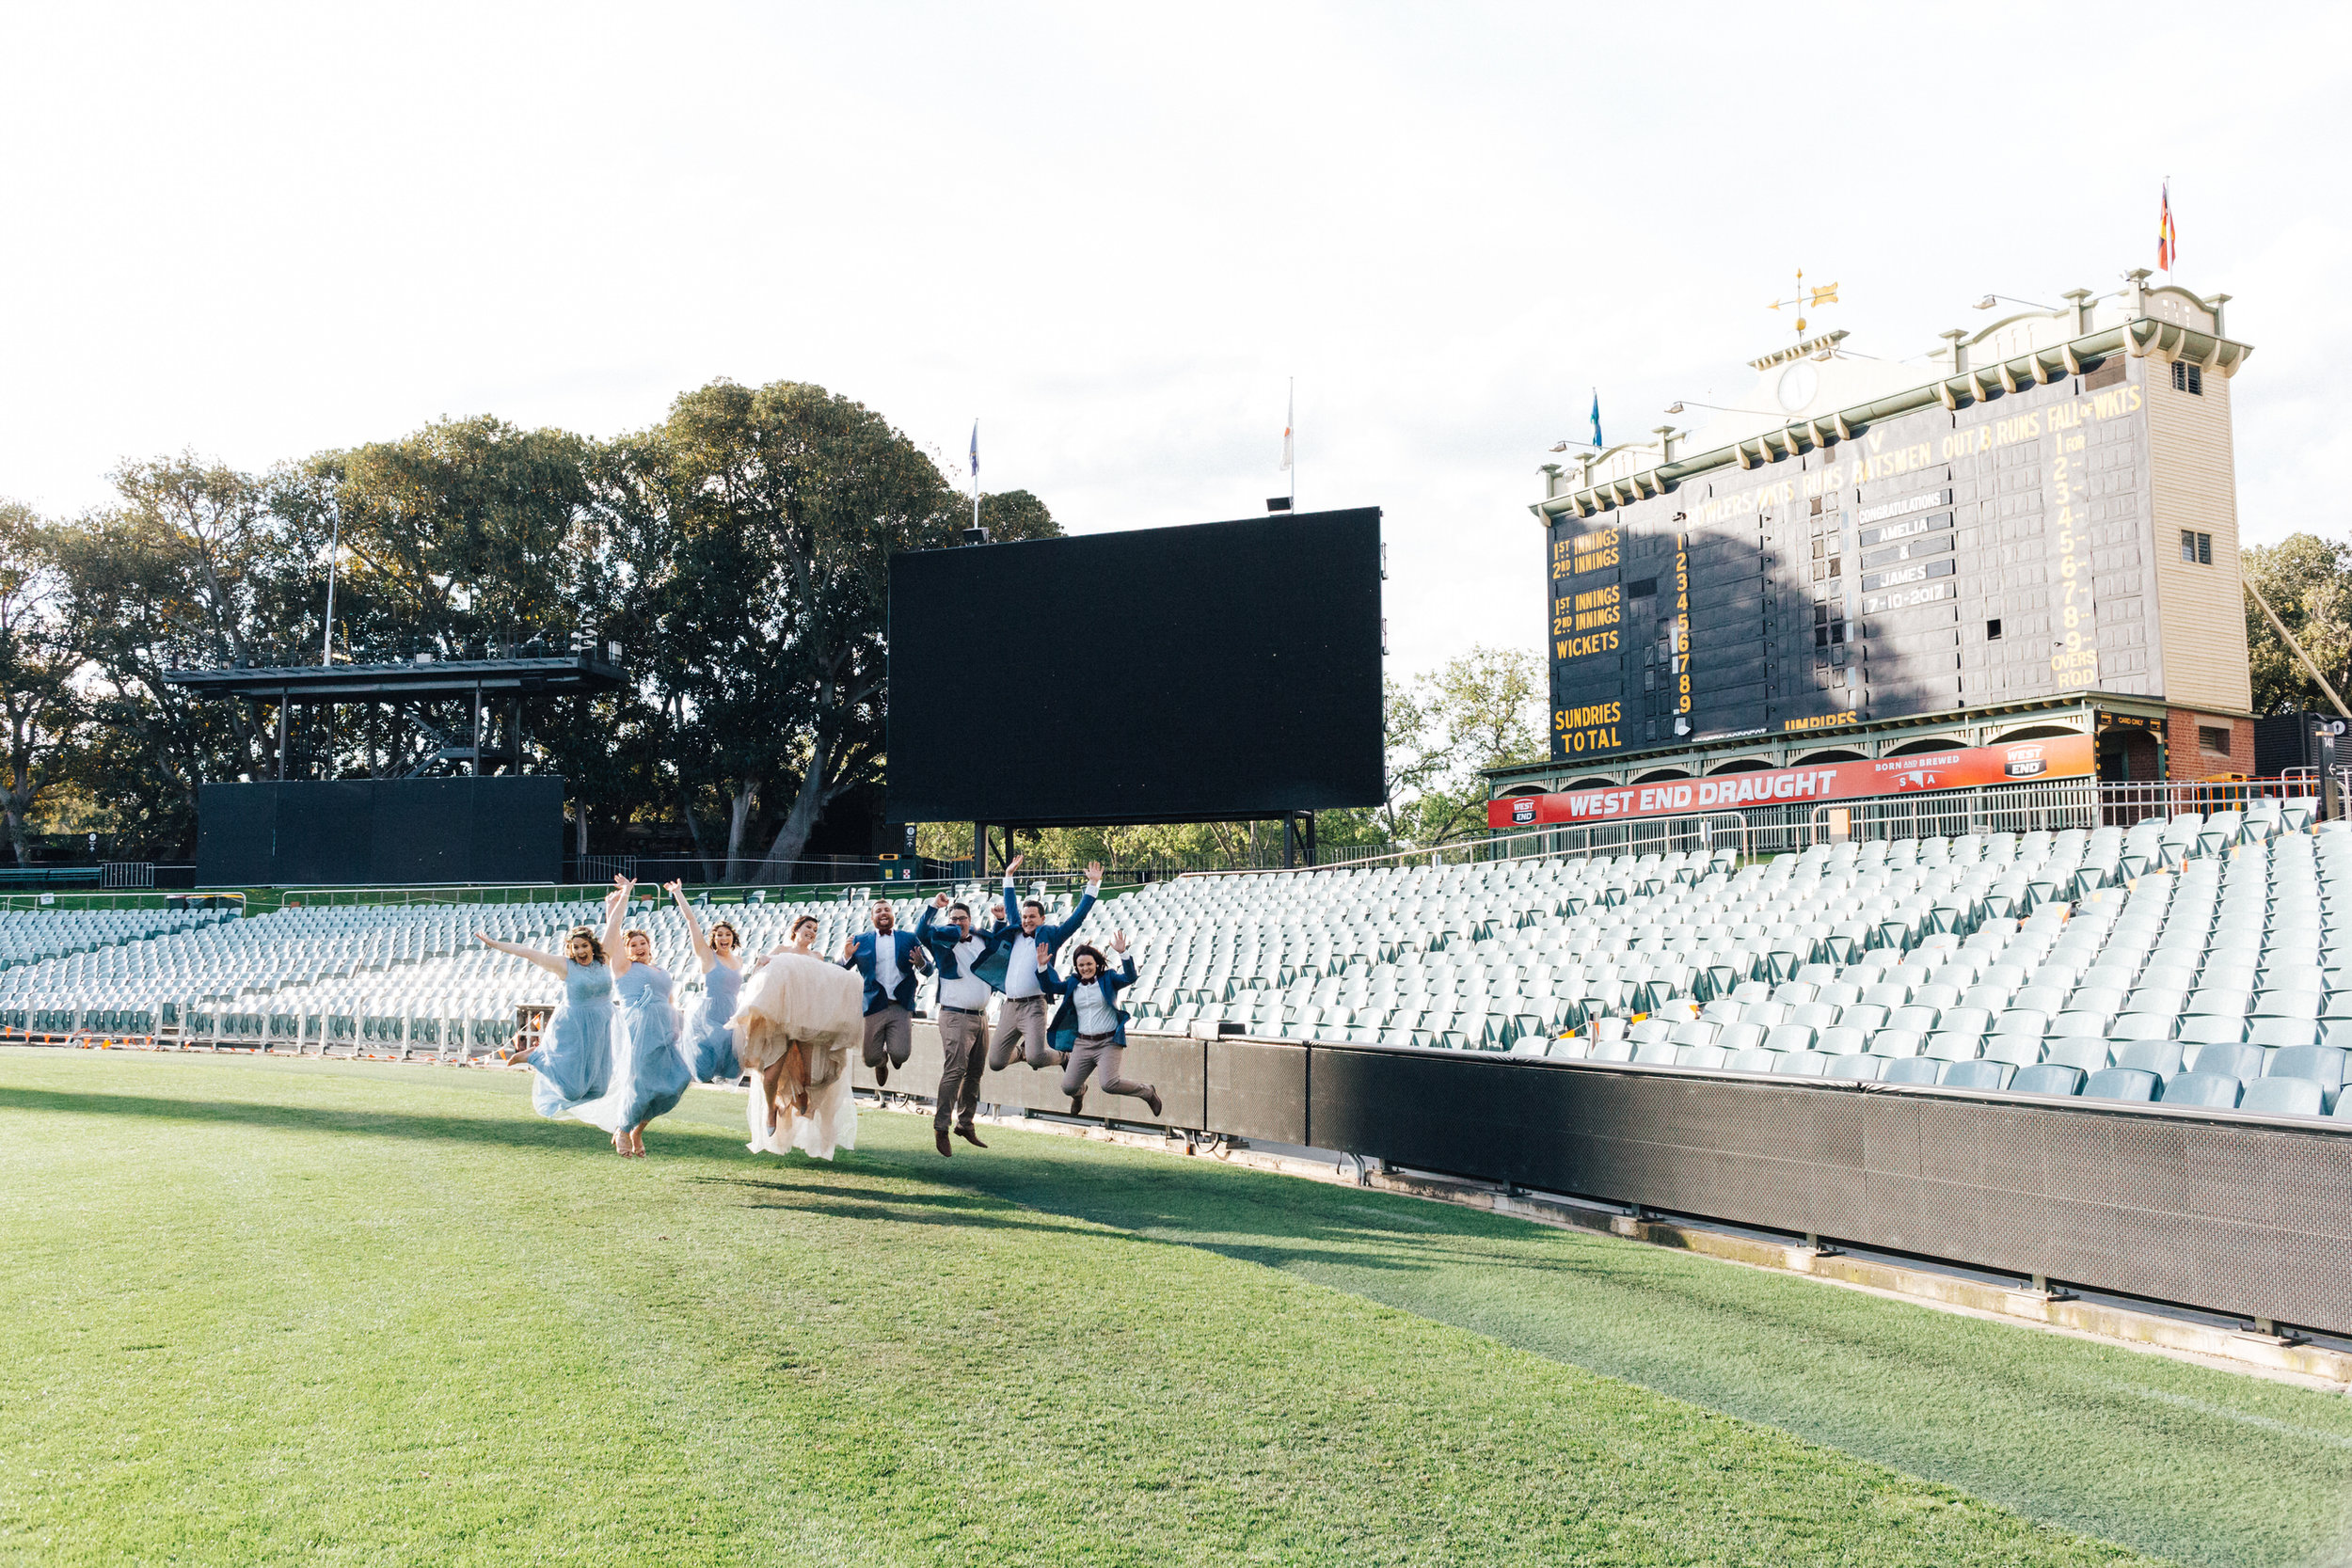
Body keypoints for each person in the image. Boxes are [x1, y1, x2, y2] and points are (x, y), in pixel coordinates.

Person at [572, 875, 691, 1157]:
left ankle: (638, 1129)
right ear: (626, 951)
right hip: (637, 1029)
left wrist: (675, 1026)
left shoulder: (663, 971)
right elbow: (610, 939)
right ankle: (624, 1130)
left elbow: (671, 999)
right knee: (640, 1084)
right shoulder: (623, 968)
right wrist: (615, 905)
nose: (639, 947)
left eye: (642, 943)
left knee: (677, 1081)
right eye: (633, 944)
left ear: (650, 945)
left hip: (665, 1030)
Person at [475, 897, 617, 1123]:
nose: (580, 951)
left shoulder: (603, 961)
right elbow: (526, 952)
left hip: (602, 1024)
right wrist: (494, 944)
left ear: (592, 946)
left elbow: (614, 927)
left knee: (599, 1090)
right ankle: (537, 1056)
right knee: (571, 1092)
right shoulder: (564, 966)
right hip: (573, 1024)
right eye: (575, 947)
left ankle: (539, 1056)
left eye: (584, 946)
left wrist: (623, 895)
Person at [735, 923, 866, 1160]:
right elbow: (760, 977)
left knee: (810, 1073)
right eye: (808, 926)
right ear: (795, 930)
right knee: (772, 1074)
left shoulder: (817, 956)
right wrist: (760, 964)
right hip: (780, 1020)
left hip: (806, 1022)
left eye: (815, 929)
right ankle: (771, 1108)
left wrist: (846, 959)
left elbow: (826, 985)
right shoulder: (780, 950)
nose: (812, 931)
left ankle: (801, 1098)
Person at [914, 892, 1015, 1157]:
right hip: (955, 1015)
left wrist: (1000, 921)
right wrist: (935, 906)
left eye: (962, 918)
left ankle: (966, 1123)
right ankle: (941, 1126)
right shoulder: (942, 942)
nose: (958, 922)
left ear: (970, 920)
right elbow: (921, 930)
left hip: (981, 1016)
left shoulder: (981, 939)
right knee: (955, 1069)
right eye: (954, 919)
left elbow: (1000, 945)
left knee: (975, 1072)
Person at [988, 856, 1102, 1073]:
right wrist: (1008, 876)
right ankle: (1021, 1052)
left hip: (1034, 1006)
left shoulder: (1051, 935)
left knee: (1037, 1058)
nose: (1027, 920)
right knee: (995, 1062)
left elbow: (1076, 919)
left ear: (1042, 918)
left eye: (1032, 917)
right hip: (1010, 1006)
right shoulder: (1015, 932)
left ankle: (1063, 1057)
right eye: (1024, 917)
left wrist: (1092, 886)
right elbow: (1010, 905)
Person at [1038, 931, 1160, 1118]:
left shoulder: (1108, 978)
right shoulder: (1073, 983)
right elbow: (1050, 987)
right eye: (1081, 965)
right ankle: (1080, 1095)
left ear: (1096, 963)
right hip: (1083, 1044)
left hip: (1108, 1042)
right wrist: (1042, 966)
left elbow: (1130, 977)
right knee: (1068, 1087)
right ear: (1076, 967)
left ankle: (1147, 1092)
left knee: (1108, 1084)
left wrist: (1123, 953)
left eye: (1089, 964)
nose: (1085, 968)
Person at [840, 897, 925, 1086]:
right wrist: (846, 956)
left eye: (886, 909)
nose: (883, 913)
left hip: (900, 1004)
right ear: (872, 917)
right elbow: (841, 970)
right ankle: (881, 1062)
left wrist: (921, 964)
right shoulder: (860, 940)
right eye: (878, 911)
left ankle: (894, 1054)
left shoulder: (909, 938)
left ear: (893, 914)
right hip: (874, 1004)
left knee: (901, 1055)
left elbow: (928, 969)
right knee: (869, 1059)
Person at [667, 879, 744, 1083]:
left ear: (733, 938)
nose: (723, 938)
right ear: (714, 938)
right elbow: (692, 921)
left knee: (732, 1070)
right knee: (704, 1070)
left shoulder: (739, 959)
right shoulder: (707, 956)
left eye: (727, 934)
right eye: (719, 935)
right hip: (709, 1013)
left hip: (731, 1011)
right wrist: (678, 894)